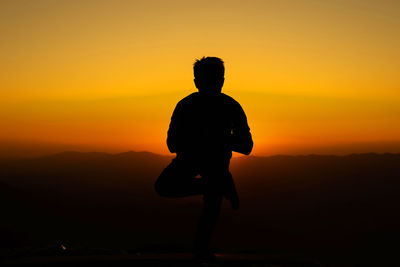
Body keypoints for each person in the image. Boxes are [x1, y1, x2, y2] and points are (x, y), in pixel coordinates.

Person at [154, 56, 253, 261]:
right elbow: (172, 144)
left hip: (212, 164)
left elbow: (246, 146)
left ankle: (201, 249)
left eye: (215, 79)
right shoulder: (189, 106)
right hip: (193, 161)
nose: (213, 83)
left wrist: (216, 140)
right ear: (198, 81)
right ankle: (216, 184)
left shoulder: (228, 106)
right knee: (166, 186)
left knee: (211, 197)